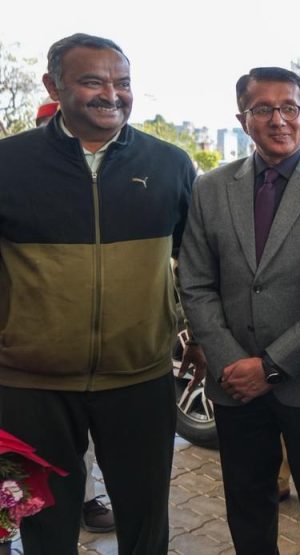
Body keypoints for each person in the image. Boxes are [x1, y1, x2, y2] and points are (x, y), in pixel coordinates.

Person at [0, 33, 195, 554]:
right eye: (93, 82)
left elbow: (195, 264)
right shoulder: (8, 164)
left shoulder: (171, 164)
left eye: (122, 82)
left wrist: (197, 336)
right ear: (53, 86)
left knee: (145, 518)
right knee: (45, 524)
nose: (112, 94)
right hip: (32, 384)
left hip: (140, 377)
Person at [179, 66, 300, 554]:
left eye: (289, 107)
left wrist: (272, 366)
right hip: (234, 381)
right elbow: (195, 282)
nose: (278, 120)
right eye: (263, 109)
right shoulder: (211, 188)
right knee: (247, 505)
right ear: (242, 118)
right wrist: (230, 361)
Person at [31, 96, 117, 534]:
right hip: (36, 350)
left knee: (89, 441)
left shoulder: (112, 180)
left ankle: (86, 498)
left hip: (106, 351)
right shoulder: (21, 175)